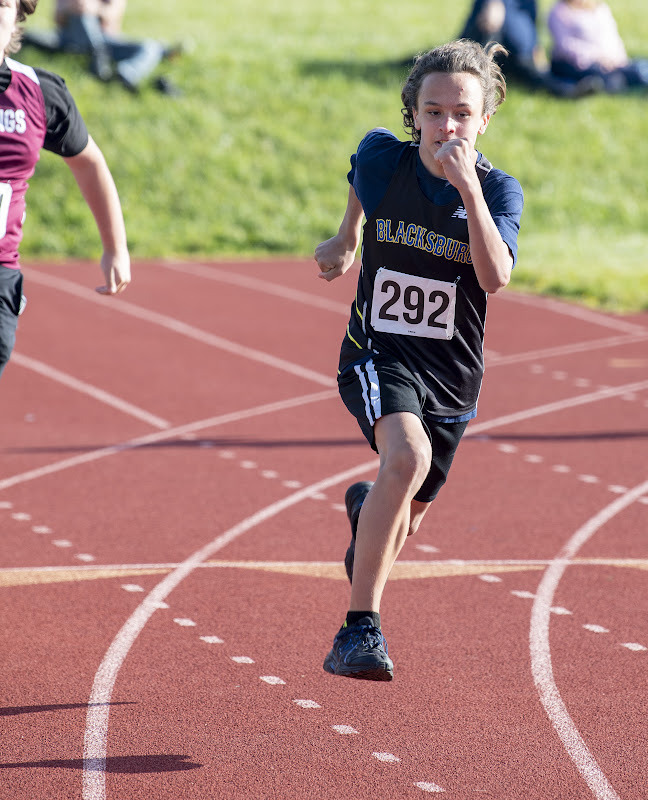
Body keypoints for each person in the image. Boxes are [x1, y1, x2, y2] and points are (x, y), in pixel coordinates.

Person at [314, 39, 523, 681]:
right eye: (433, 112)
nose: (447, 126)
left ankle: (367, 509)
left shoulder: (499, 192)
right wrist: (348, 236)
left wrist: (468, 188)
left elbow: (494, 277)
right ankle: (358, 632)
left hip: (453, 378)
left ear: (485, 119)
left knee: (401, 518)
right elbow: (361, 173)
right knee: (406, 457)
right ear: (415, 115)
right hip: (377, 351)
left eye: (462, 113)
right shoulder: (385, 159)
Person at [0, 0, 131, 381]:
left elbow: (89, 162)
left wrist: (115, 247)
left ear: (19, 14)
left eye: (3, 4)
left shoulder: (39, 92)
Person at [22, 0, 182, 94]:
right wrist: (73, 7)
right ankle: (97, 56)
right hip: (70, 39)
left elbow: (112, 17)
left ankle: (124, 74)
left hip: (106, 40)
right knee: (78, 16)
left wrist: (91, 9)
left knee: (150, 47)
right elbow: (58, 20)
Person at [459, 0, 600, 96]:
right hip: (488, 53)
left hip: (517, 58)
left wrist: (536, 48)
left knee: (538, 74)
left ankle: (572, 87)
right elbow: (485, 27)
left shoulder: (529, 3)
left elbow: (530, 26)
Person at [547, 0, 648, 93]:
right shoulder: (560, 12)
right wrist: (598, 57)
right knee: (604, 77)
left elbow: (612, 37)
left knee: (639, 66)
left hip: (609, 61)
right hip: (578, 63)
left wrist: (617, 57)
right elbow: (565, 45)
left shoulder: (600, 9)